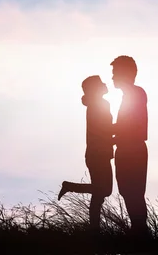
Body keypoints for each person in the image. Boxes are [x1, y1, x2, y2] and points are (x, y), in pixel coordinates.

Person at [57, 75, 114, 232]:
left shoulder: (95, 105)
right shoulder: (100, 105)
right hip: (99, 154)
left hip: (97, 153)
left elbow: (104, 130)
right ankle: (70, 186)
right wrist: (123, 131)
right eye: (101, 83)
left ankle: (94, 229)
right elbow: (104, 130)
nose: (105, 84)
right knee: (104, 190)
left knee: (99, 193)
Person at [110, 55, 149, 237]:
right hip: (126, 149)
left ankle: (141, 234)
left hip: (132, 150)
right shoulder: (129, 96)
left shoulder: (136, 94)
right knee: (128, 192)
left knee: (133, 192)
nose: (112, 77)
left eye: (115, 72)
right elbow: (126, 126)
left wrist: (109, 134)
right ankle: (138, 233)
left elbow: (133, 127)